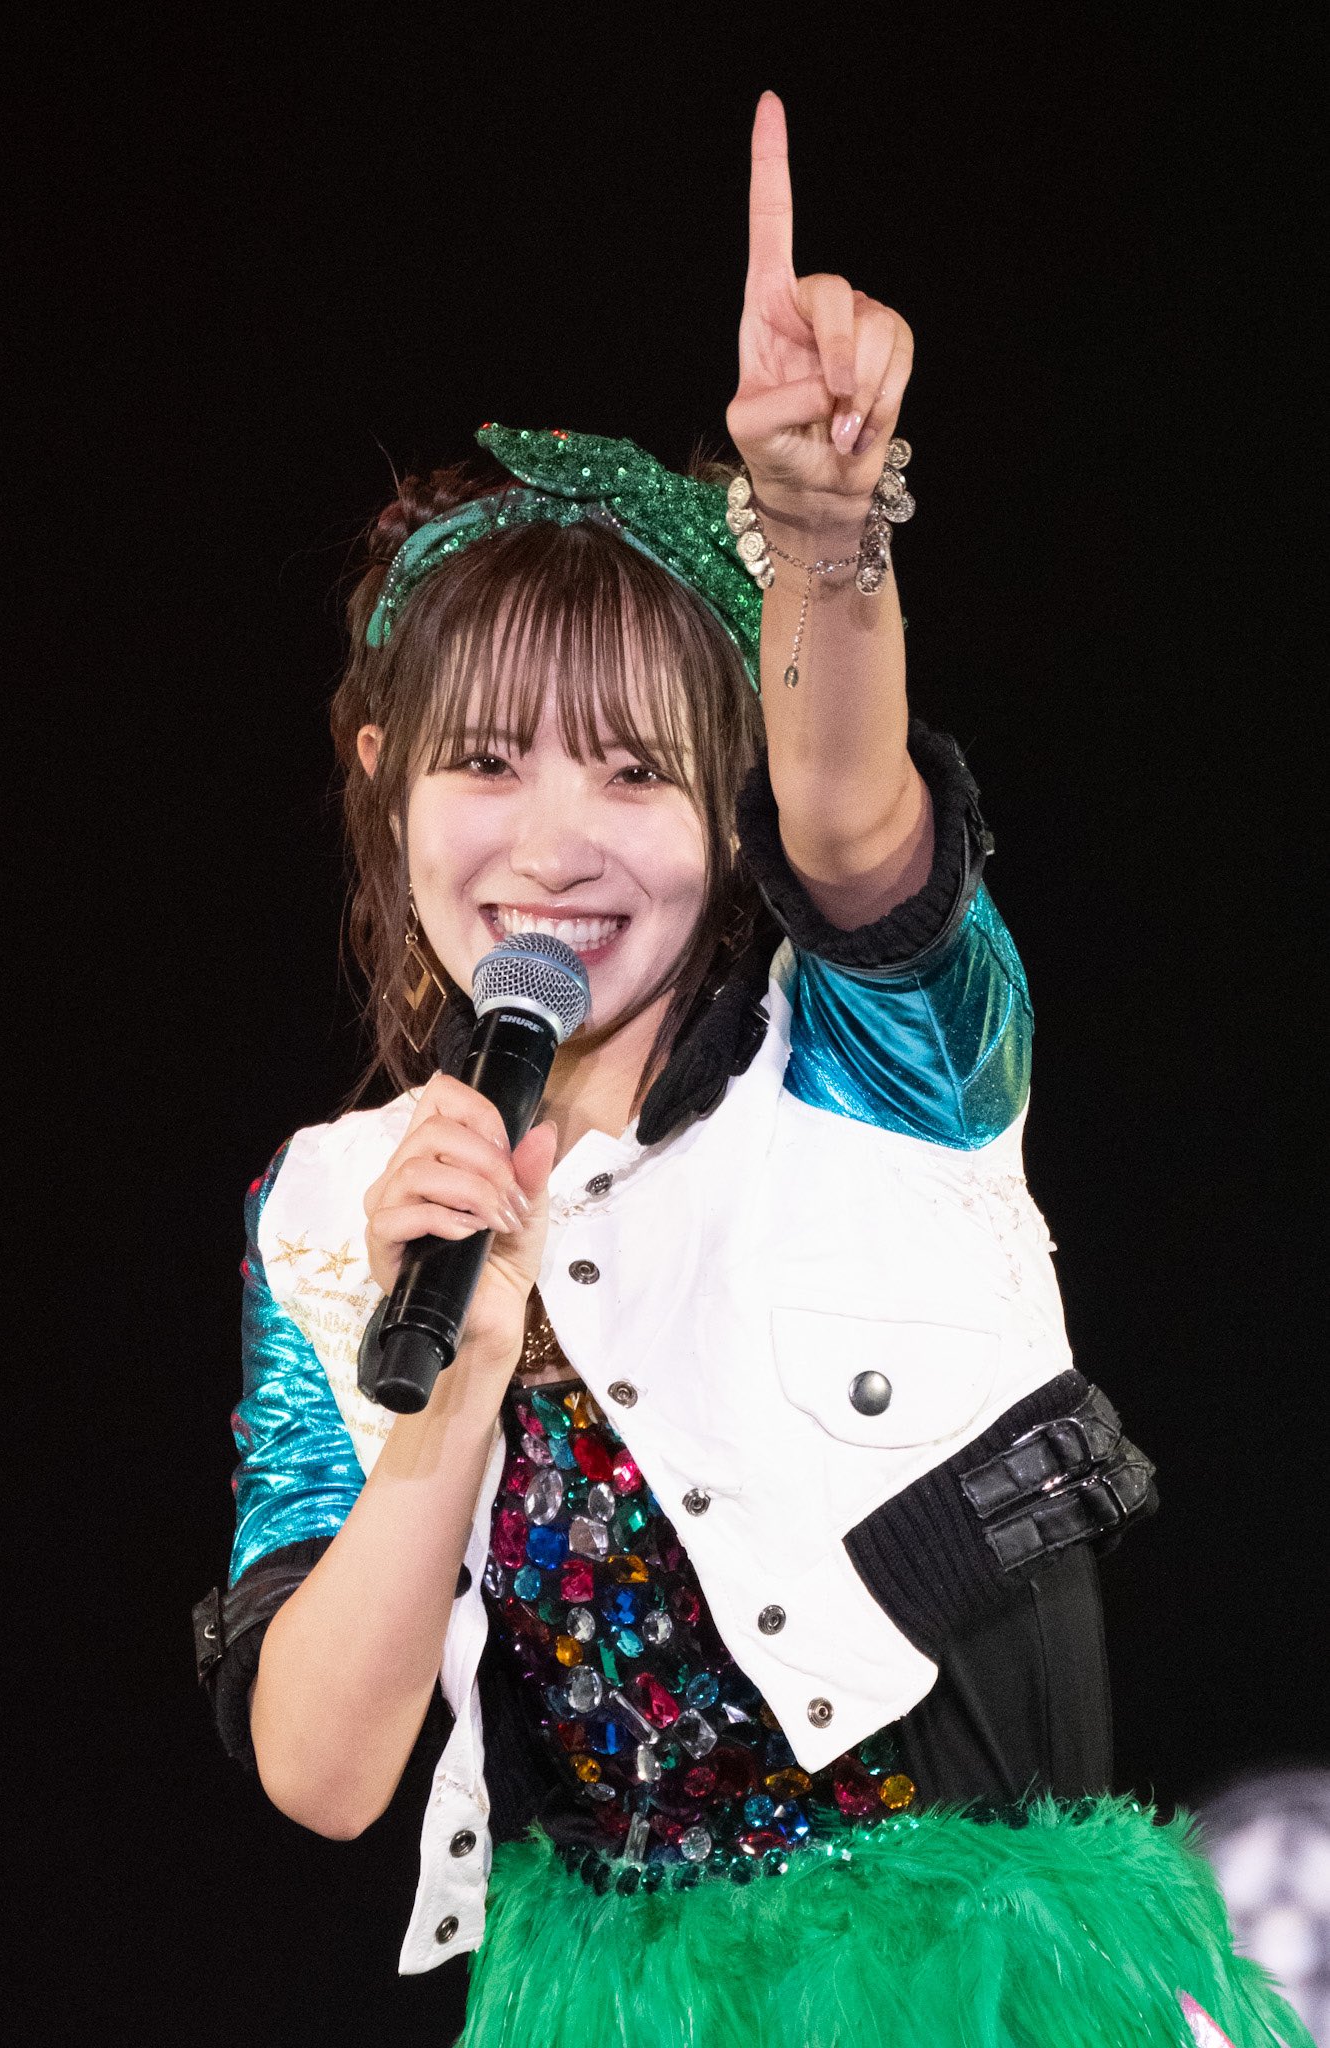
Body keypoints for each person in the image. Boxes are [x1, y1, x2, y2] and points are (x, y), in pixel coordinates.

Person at [194, 92, 1310, 2048]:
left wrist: (818, 533)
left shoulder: (870, 1062)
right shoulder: (337, 1210)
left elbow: (862, 831)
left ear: (725, 805)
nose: (554, 841)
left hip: (968, 1986)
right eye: (486, 762)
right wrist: (452, 1388)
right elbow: (323, 1767)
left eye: (632, 770)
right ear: (385, 783)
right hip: (613, 2003)